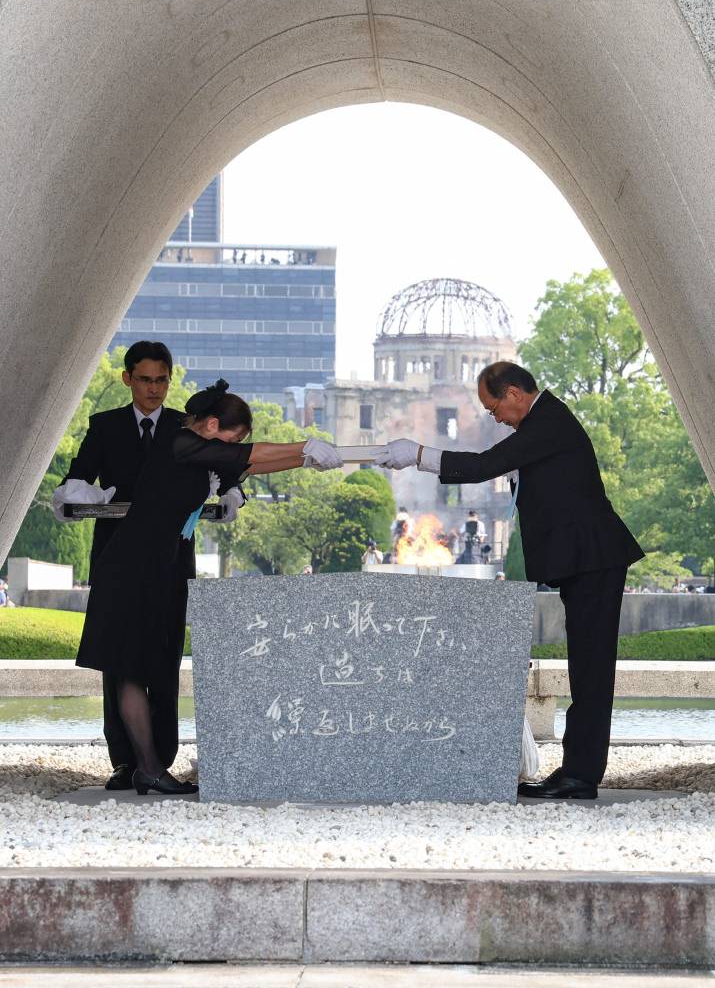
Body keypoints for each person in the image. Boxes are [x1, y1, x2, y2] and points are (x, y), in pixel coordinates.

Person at [375, 360, 643, 801]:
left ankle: (581, 775)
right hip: (587, 559)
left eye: (493, 406)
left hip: (595, 558)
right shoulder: (542, 423)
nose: (494, 417)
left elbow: (484, 466)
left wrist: (419, 456)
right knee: (586, 666)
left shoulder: (548, 421)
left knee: (592, 670)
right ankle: (577, 770)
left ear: (515, 393)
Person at [75, 379, 342, 795]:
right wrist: (304, 444)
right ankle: (147, 766)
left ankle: (148, 765)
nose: (234, 447)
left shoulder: (199, 454)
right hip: (129, 568)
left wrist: (302, 460)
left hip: (151, 568)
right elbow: (246, 455)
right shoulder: (180, 443)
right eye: (232, 438)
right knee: (128, 668)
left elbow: (248, 464)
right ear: (212, 425)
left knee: (138, 666)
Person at [51, 341, 247, 792]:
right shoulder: (105, 426)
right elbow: (78, 475)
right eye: (144, 379)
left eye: (161, 380)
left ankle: (160, 758)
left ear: (169, 381)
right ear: (127, 379)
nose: (153, 388)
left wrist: (233, 494)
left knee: (163, 655)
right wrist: (71, 496)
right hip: (117, 552)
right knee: (118, 661)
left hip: (172, 557)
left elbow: (229, 465)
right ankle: (127, 761)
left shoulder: (188, 424)